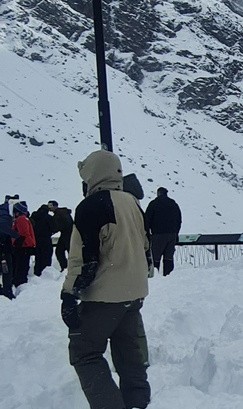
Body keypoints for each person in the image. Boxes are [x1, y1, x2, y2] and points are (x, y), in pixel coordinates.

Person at [60, 149, 152, 409]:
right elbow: (146, 244)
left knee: (84, 352)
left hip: (104, 296)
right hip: (134, 293)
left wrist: (69, 294)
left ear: (92, 174)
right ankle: (136, 403)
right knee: (129, 354)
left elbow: (83, 260)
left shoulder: (91, 206)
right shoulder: (132, 202)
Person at [144, 187, 182, 276]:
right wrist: (176, 233)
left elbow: (147, 220)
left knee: (155, 258)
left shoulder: (153, 204)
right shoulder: (173, 204)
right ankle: (169, 276)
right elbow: (179, 219)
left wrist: (147, 234)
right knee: (169, 258)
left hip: (158, 235)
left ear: (158, 193)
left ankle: (154, 277)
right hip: (172, 234)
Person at [11, 201, 35, 288]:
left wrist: (25, 243)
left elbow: (24, 233)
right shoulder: (24, 219)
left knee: (20, 266)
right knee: (22, 265)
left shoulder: (20, 219)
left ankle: (20, 284)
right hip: (24, 246)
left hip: (23, 246)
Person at [31, 204, 57, 276]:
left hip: (36, 239)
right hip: (46, 239)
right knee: (46, 256)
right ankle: (45, 273)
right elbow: (55, 228)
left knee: (38, 257)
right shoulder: (49, 218)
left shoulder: (34, 217)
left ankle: (37, 272)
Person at [0, 199, 18, 299]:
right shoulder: (5, 217)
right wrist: (17, 236)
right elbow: (5, 230)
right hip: (3, 248)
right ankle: (7, 291)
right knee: (7, 270)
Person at [50, 200, 74, 271]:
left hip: (67, 234)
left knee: (62, 251)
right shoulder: (61, 213)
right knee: (62, 251)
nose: (49, 207)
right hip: (66, 234)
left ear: (55, 206)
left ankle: (67, 267)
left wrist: (54, 230)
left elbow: (61, 224)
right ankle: (67, 267)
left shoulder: (59, 213)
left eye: (51, 206)